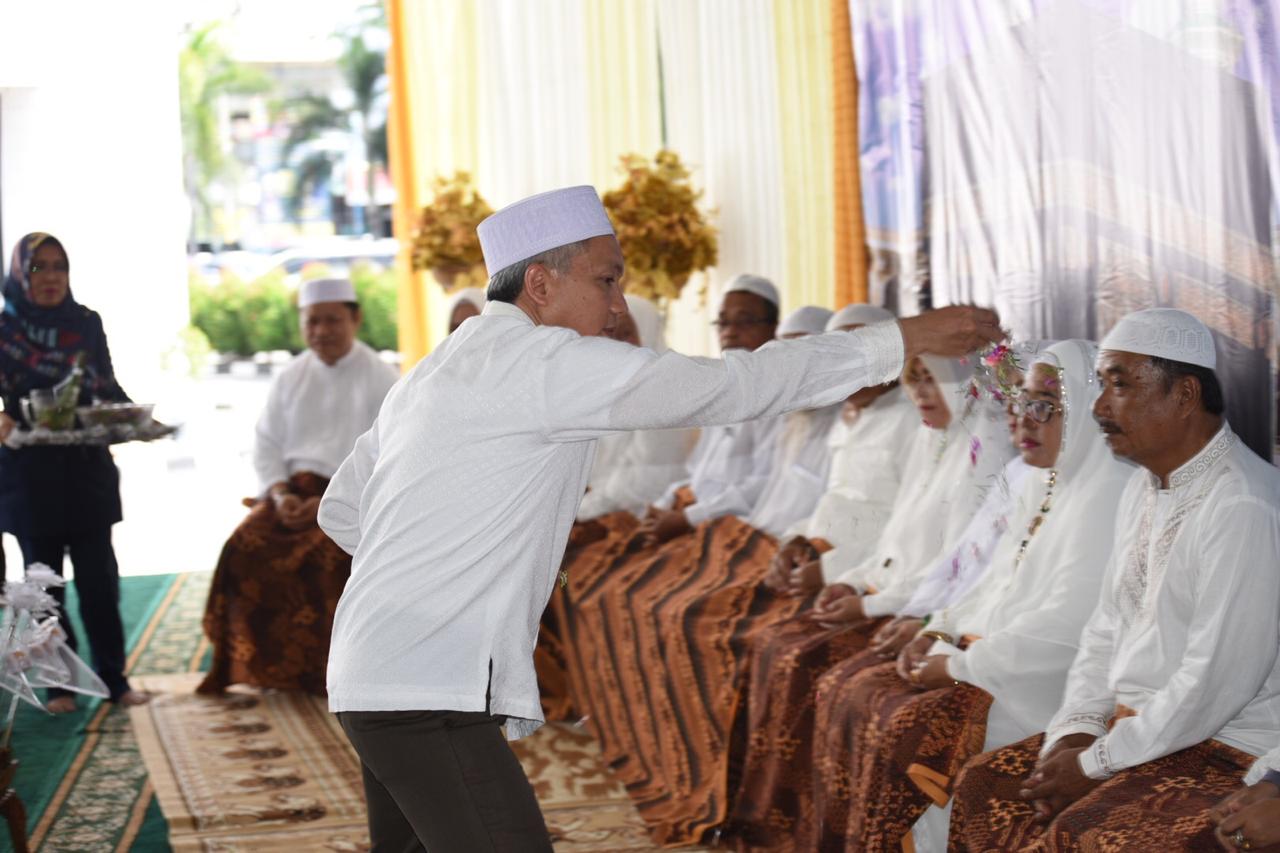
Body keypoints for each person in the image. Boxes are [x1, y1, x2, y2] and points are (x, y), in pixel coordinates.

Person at [316, 184, 1001, 851]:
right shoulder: (545, 363)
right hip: (426, 688)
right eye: (606, 280)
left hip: (375, 668)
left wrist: (429, 564)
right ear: (542, 287)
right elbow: (738, 384)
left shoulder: (437, 368)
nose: (618, 306)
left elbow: (343, 508)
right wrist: (901, 337)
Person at [949, 308, 1280, 852]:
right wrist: (1075, 729)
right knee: (987, 786)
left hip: (1225, 747)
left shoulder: (1241, 504)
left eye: (1119, 386)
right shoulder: (1144, 486)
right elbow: (1105, 628)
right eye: (1101, 386)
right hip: (1137, 735)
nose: (1100, 407)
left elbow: (1212, 682)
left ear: (1185, 395)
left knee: (1084, 835)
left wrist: (1094, 763)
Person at [808, 340, 1131, 852]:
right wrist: (938, 628)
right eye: (1020, 403)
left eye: (1044, 407)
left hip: (1040, 687)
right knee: (856, 694)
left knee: (895, 721)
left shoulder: (1107, 492)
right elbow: (986, 577)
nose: (1023, 421)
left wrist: (955, 664)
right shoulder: (1040, 480)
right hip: (989, 660)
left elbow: (1058, 633)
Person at [729, 353, 1013, 847]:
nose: (922, 394)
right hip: (903, 606)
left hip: (933, 620)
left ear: (964, 384)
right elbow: (892, 540)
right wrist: (854, 584)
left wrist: (873, 606)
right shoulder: (935, 439)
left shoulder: (984, 453)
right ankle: (780, 826)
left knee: (825, 674)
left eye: (933, 380)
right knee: (782, 648)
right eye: (914, 381)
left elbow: (959, 569)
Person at [198, 278, 397, 695]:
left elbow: (392, 452)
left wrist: (330, 499)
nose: (322, 331)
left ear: (355, 319)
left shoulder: (382, 377)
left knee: (328, 559)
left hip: (353, 497)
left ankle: (336, 676)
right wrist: (280, 493)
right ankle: (263, 670)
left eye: (332, 320)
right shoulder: (290, 376)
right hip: (290, 493)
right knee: (243, 546)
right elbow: (266, 443)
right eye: (313, 321)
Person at [0, 232, 146, 712]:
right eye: (38, 268)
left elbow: (105, 384)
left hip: (86, 474)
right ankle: (60, 684)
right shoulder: (5, 330)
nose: (51, 278)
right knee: (44, 589)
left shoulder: (85, 323)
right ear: (21, 274)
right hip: (30, 478)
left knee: (100, 584)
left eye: (58, 266)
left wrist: (133, 418)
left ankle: (115, 679)